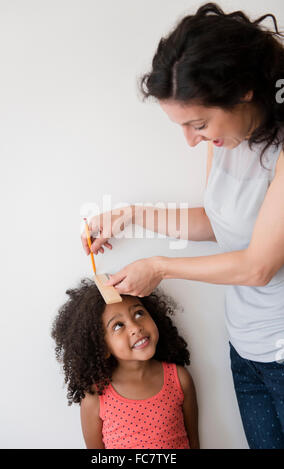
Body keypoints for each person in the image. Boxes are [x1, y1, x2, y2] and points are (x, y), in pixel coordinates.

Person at [81, 3, 284, 449]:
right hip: (246, 347)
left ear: (244, 92)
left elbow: (258, 267)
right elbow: (218, 221)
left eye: (198, 123)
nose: (191, 140)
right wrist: (132, 213)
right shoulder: (226, 138)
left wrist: (161, 266)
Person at [51, 278, 199, 449]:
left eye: (138, 313)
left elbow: (193, 442)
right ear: (102, 346)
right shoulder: (95, 397)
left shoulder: (180, 379)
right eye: (118, 325)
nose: (135, 327)